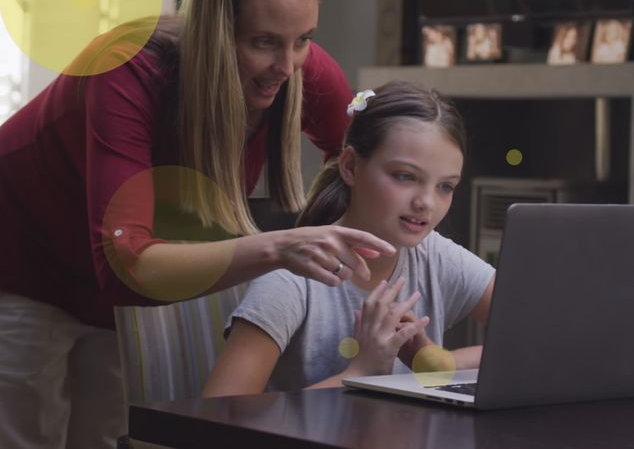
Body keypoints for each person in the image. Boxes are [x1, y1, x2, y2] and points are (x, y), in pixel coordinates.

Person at [0, 0, 395, 449]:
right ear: (213, 29)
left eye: (303, 40)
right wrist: (280, 248)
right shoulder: (124, 69)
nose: (287, 66)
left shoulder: (296, 68)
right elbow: (126, 265)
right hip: (18, 266)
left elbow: (370, 161)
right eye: (263, 42)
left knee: (106, 438)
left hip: (121, 290)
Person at [201, 81, 496, 397]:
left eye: (445, 187)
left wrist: (438, 364)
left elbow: (545, 339)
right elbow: (221, 414)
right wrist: (362, 372)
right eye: (405, 176)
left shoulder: (434, 255)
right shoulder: (290, 281)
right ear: (351, 166)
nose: (427, 202)